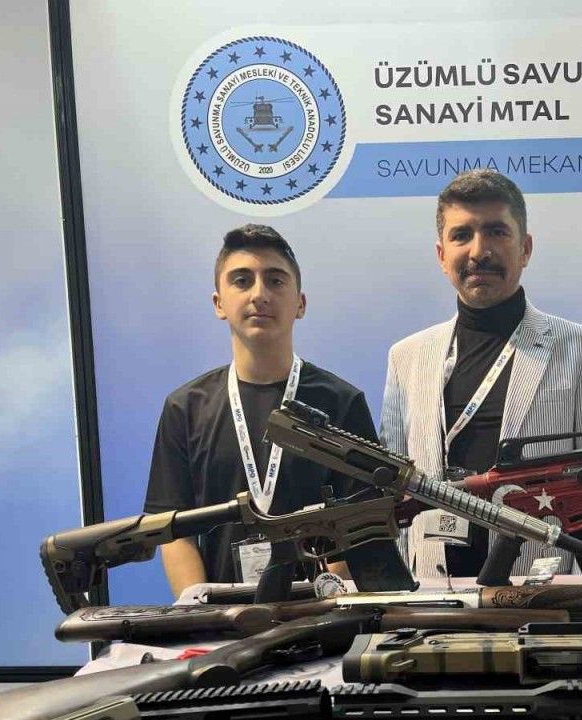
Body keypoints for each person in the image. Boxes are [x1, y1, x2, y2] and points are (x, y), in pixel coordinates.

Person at [380, 169, 582, 582]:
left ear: (525, 248)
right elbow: (393, 490)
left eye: (496, 232)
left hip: (540, 587)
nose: (479, 251)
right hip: (432, 589)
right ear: (441, 255)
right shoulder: (405, 357)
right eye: (462, 235)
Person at [145, 224, 411, 599]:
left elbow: (361, 527)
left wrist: (321, 603)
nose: (259, 294)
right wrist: (200, 611)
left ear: (300, 303)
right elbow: (174, 532)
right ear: (219, 303)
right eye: (242, 280)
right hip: (221, 617)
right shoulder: (185, 408)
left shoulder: (341, 402)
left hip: (319, 614)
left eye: (275, 281)